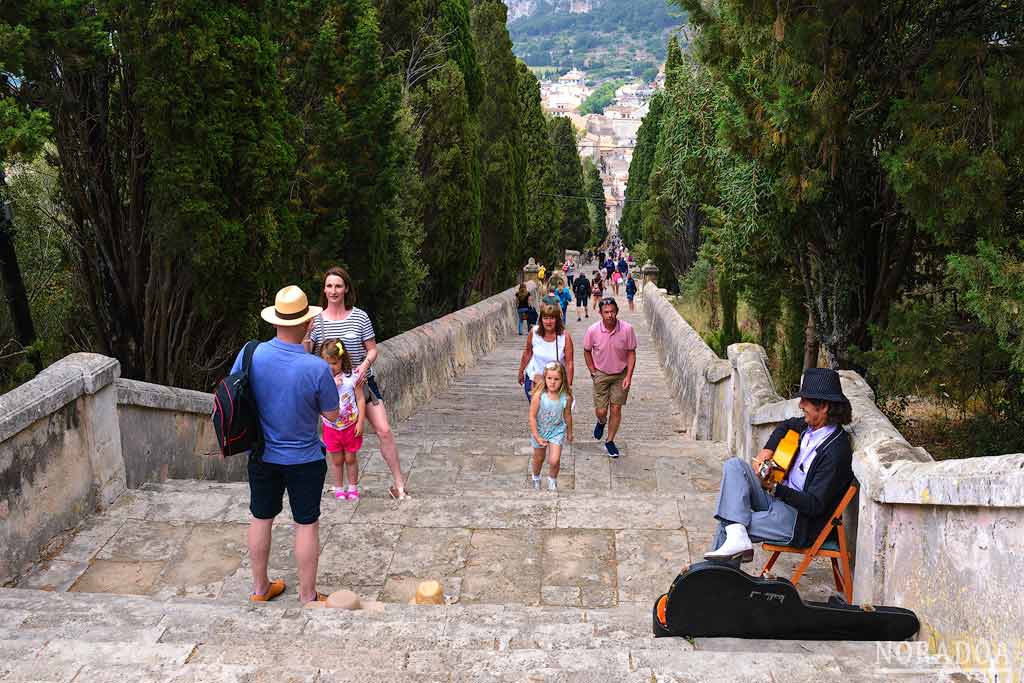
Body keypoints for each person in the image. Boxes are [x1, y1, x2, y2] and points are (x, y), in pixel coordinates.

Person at [236, 285, 339, 604]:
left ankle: (259, 588)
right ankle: (308, 595)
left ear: (275, 320)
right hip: (305, 458)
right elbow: (332, 414)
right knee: (306, 523)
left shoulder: (251, 353)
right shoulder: (317, 368)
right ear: (308, 324)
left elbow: (237, 390)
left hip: (263, 454)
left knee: (260, 517)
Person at [704, 368, 854, 562]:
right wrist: (768, 450)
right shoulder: (809, 426)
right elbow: (785, 425)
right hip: (779, 498)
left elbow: (814, 505)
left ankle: (715, 588)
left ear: (824, 406)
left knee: (729, 524)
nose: (800, 405)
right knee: (735, 466)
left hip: (797, 521)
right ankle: (732, 550)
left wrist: (775, 489)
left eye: (805, 400)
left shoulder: (836, 452)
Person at [304, 267, 409, 500]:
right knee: (326, 439)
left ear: (346, 288)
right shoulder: (316, 321)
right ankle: (335, 485)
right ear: (324, 289)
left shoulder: (360, 317)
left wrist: (363, 367)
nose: (333, 290)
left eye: (338, 286)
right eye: (329, 286)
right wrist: (306, 335)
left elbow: (372, 349)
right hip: (329, 389)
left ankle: (399, 485)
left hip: (361, 384)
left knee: (384, 430)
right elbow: (306, 356)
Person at [583, 297, 637, 458]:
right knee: (601, 410)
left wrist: (629, 376)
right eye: (606, 312)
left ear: (617, 312)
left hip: (620, 374)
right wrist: (592, 370)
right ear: (600, 313)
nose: (610, 315)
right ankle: (601, 422)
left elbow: (631, 353)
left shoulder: (627, 329)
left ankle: (610, 440)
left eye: (612, 311)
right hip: (601, 373)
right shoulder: (592, 330)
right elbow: (587, 350)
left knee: (616, 408)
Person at [320, 338, 366, 501]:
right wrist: (331, 384)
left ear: (342, 360)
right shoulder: (322, 380)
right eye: (327, 363)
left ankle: (353, 487)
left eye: (334, 363)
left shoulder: (352, 377)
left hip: (350, 425)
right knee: (337, 460)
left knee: (350, 458)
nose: (330, 367)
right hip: (331, 427)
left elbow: (360, 399)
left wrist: (360, 422)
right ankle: (339, 488)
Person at [529, 361, 573, 491]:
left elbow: (568, 415)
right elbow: (532, 416)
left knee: (554, 460)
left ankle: (552, 480)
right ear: (545, 378)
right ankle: (536, 478)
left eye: (556, 379)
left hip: (557, 430)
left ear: (562, 380)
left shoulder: (566, 397)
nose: (552, 382)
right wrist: (536, 435)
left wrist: (570, 432)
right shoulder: (539, 396)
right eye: (549, 378)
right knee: (539, 458)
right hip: (540, 430)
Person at [518, 302, 574, 402]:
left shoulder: (565, 337)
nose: (549, 322)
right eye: (545, 318)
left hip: (555, 381)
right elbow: (527, 352)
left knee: (553, 414)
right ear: (541, 320)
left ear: (557, 320)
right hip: (534, 379)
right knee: (537, 412)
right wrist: (521, 371)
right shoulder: (534, 332)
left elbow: (569, 362)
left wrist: (568, 386)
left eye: (552, 318)